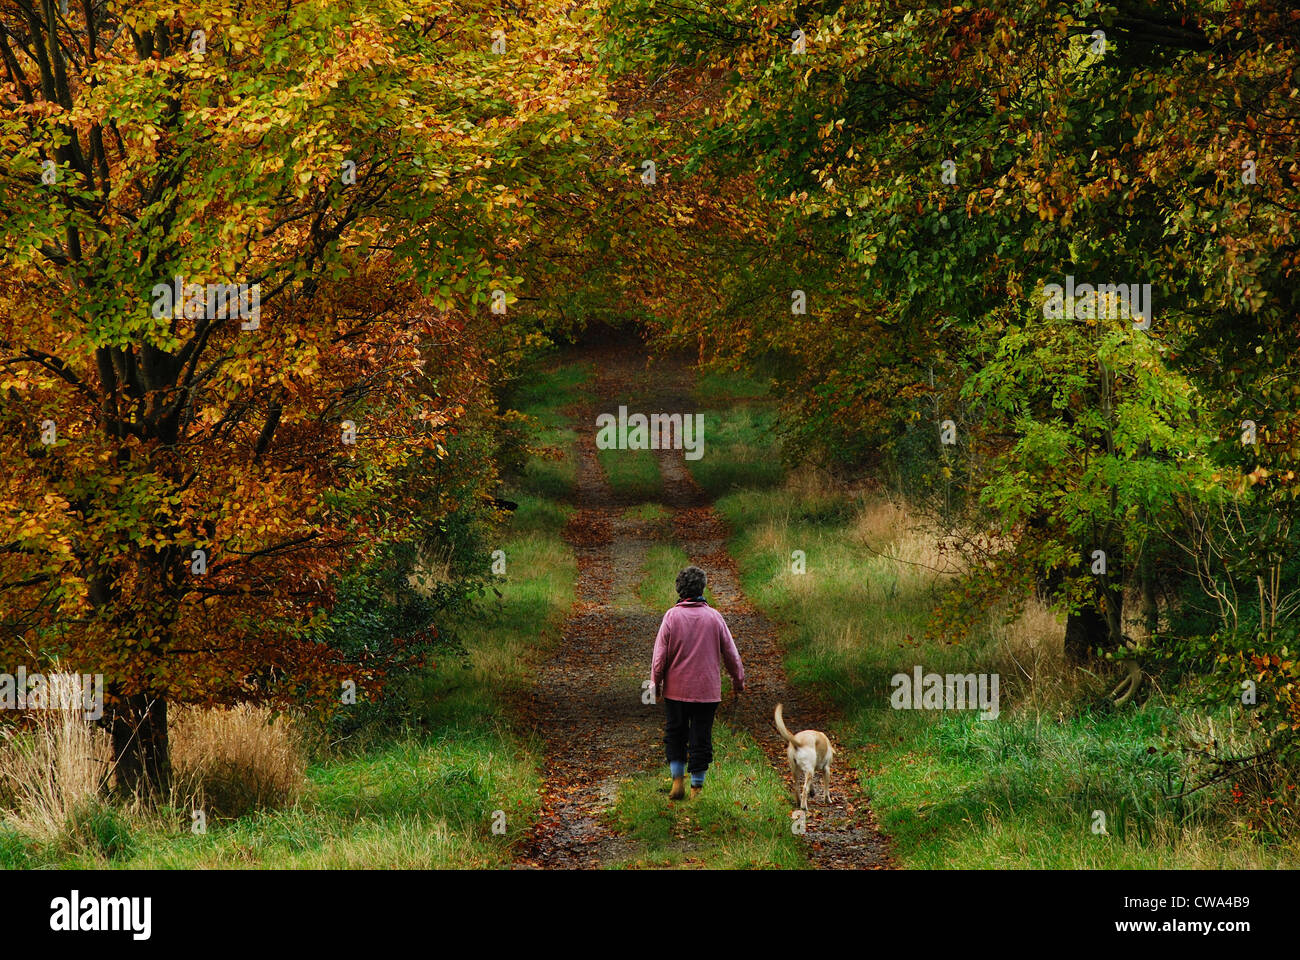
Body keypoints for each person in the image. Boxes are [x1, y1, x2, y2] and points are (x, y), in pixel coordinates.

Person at [650, 565, 745, 800]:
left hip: (676, 691)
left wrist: (656, 682)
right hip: (707, 692)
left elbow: (659, 656)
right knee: (701, 736)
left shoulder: (671, 616)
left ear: (680, 590)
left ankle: (677, 781)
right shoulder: (715, 617)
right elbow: (731, 655)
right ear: (702, 588)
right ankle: (697, 788)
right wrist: (738, 680)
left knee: (676, 733)